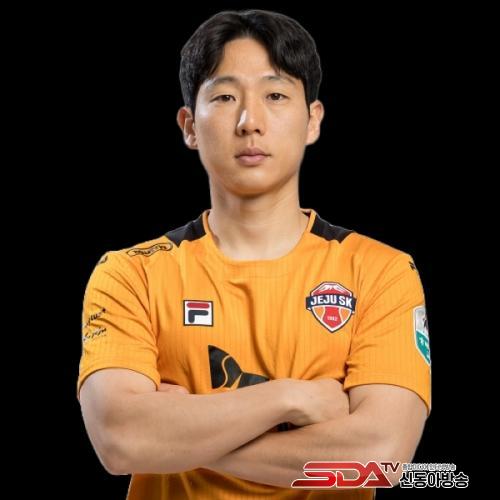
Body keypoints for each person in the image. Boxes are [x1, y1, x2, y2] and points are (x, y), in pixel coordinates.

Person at [78, 9, 431, 499]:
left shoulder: (381, 272)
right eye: (225, 97)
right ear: (189, 126)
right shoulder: (130, 274)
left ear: (312, 120)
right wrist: (290, 398)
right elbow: (120, 441)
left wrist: (172, 440)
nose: (250, 122)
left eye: (275, 95)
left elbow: (378, 460)